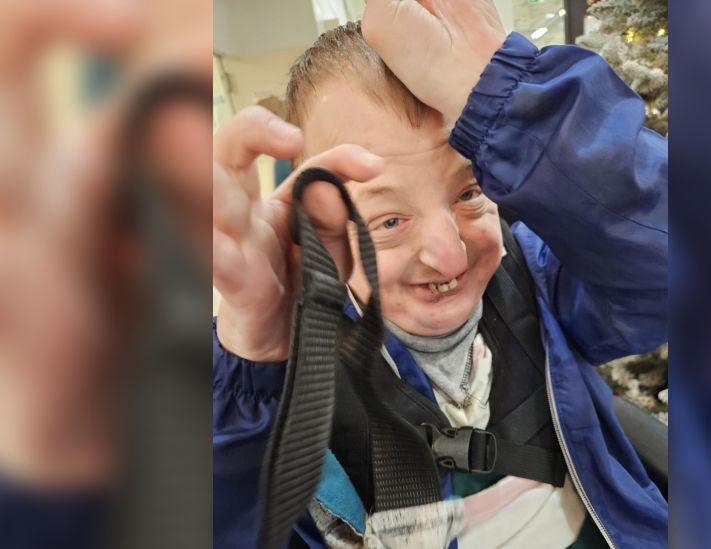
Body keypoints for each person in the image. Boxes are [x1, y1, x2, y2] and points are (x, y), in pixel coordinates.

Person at [212, 0, 668, 547]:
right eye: (390, 220)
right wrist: (249, 351)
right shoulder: (275, 385)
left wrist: (513, 100)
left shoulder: (540, 280)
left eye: (469, 192)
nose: (449, 257)